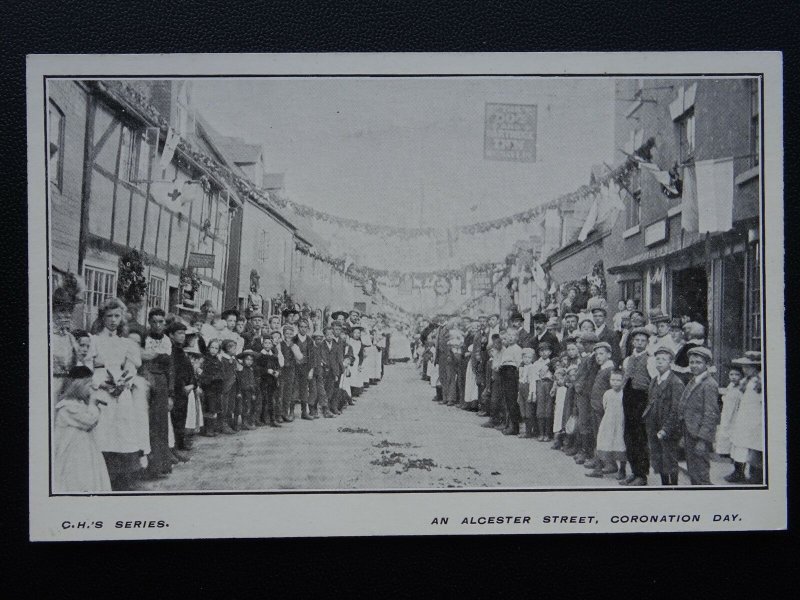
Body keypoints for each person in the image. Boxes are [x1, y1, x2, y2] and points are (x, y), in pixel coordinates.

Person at [53, 366, 112, 493]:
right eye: (89, 385)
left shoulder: (77, 404)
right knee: (78, 482)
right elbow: (90, 420)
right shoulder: (68, 407)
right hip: (73, 454)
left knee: (88, 479)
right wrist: (92, 403)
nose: (91, 389)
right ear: (78, 385)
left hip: (84, 451)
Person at [677, 346, 720, 485]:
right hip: (690, 432)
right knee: (693, 470)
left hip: (699, 435)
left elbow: (711, 414)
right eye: (692, 362)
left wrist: (703, 440)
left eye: (698, 362)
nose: (694, 365)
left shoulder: (709, 384)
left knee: (701, 471)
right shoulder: (693, 380)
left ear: (707, 365)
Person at [645, 346, 686, 486]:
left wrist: (666, 430)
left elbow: (676, 410)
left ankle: (673, 487)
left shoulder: (675, 382)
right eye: (658, 359)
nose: (660, 362)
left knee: (670, 460)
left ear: (670, 363)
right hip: (655, 427)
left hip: (669, 429)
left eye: (664, 359)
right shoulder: (654, 381)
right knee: (659, 459)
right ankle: (664, 486)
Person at [620, 327, 654, 486]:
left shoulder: (650, 360)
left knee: (640, 438)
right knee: (629, 437)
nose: (640, 343)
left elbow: (653, 383)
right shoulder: (628, 360)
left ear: (647, 343)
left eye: (643, 340)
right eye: (637, 340)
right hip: (628, 399)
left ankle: (642, 474)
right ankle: (634, 471)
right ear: (633, 342)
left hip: (641, 400)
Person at [729, 352, 763, 484]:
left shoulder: (759, 382)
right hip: (744, 417)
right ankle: (738, 472)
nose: (744, 369)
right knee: (740, 446)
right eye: (744, 367)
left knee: (755, 447)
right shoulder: (746, 381)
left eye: (748, 367)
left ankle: (756, 475)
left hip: (756, 420)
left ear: (756, 367)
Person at [587, 369, 627, 480]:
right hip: (608, 422)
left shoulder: (624, 394)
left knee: (620, 444)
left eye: (618, 380)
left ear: (623, 381)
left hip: (619, 423)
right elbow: (605, 407)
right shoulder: (607, 394)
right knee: (602, 442)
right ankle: (598, 469)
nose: (615, 382)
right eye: (613, 380)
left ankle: (622, 470)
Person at [584, 342, 616, 473]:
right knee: (598, 434)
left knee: (605, 436)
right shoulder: (601, 368)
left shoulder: (610, 370)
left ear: (609, 354)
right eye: (596, 354)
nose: (598, 357)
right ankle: (600, 459)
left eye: (601, 354)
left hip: (604, 409)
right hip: (596, 407)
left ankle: (610, 463)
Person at [570, 332, 600, 464]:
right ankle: (583, 449)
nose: (583, 346)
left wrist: (581, 387)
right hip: (581, 394)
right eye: (582, 343)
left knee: (587, 423)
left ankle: (588, 452)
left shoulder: (594, 359)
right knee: (582, 422)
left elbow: (591, 378)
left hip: (588, 395)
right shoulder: (587, 358)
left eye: (586, 344)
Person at [716, 362, 744, 464]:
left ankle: (737, 466)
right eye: (731, 374)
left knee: (736, 442)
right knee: (726, 437)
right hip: (728, 415)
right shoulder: (731, 386)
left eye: (737, 375)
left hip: (736, 417)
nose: (733, 377)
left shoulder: (741, 388)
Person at [498, 330, 522, 435]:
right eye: (509, 336)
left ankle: (514, 427)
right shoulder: (507, 349)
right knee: (507, 399)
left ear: (517, 338)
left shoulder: (517, 349)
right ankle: (508, 424)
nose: (511, 337)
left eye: (513, 335)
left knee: (512, 401)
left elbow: (518, 364)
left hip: (511, 374)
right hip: (504, 373)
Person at [198, 339, 223, 436]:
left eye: (216, 348)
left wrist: (218, 377)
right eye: (212, 347)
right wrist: (210, 377)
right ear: (208, 348)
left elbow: (221, 373)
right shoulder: (205, 360)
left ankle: (213, 428)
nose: (213, 350)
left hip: (216, 387)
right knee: (209, 407)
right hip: (208, 387)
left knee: (215, 407)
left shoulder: (218, 361)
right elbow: (202, 374)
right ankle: (207, 429)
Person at [317, 326, 341, 417]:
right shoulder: (321, 345)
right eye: (327, 334)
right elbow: (320, 357)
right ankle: (324, 409)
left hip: (332, 371)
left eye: (331, 334)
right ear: (324, 336)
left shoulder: (336, 345)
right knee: (323, 390)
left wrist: (336, 373)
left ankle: (329, 408)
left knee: (331, 389)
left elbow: (337, 360)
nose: (329, 336)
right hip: (324, 371)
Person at [293, 318, 314, 420]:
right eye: (301, 327)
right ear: (298, 328)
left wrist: (311, 370)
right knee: (294, 388)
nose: (303, 329)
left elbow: (312, 357)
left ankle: (304, 412)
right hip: (295, 367)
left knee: (304, 389)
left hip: (305, 367)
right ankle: (291, 412)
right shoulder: (294, 339)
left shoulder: (310, 341)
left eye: (305, 327)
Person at [534, 342, 555, 441]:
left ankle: (547, 433)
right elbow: (534, 376)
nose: (544, 353)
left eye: (546, 350)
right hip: (540, 384)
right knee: (540, 408)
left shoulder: (552, 362)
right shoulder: (536, 363)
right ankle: (541, 433)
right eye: (541, 351)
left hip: (549, 384)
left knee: (549, 408)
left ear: (550, 352)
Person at [218, 338, 239, 434]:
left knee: (231, 404)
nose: (236, 350)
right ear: (228, 349)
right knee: (224, 405)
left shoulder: (234, 360)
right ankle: (223, 424)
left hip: (233, 386)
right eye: (234, 348)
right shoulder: (223, 360)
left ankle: (230, 423)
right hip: (225, 387)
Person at [236, 350, 258, 430]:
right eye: (247, 359)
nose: (249, 362)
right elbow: (238, 381)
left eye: (251, 360)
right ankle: (244, 422)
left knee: (250, 406)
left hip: (250, 391)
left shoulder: (251, 370)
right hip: (243, 391)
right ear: (244, 360)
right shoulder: (241, 370)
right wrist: (239, 392)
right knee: (245, 407)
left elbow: (253, 381)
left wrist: (253, 392)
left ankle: (249, 421)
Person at [517, 348, 536, 438]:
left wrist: (531, 394)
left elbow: (532, 382)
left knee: (528, 412)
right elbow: (520, 380)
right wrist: (518, 393)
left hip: (528, 389)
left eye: (529, 357)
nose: (527, 359)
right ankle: (524, 431)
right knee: (522, 411)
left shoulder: (532, 367)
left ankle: (529, 432)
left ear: (532, 358)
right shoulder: (521, 367)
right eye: (525, 357)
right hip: (521, 389)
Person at [550, 367, 569, 450]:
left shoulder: (567, 388)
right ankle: (557, 442)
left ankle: (565, 443)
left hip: (564, 409)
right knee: (557, 424)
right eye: (557, 379)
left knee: (564, 425)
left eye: (561, 378)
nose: (559, 381)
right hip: (558, 408)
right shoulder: (557, 387)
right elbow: (552, 395)